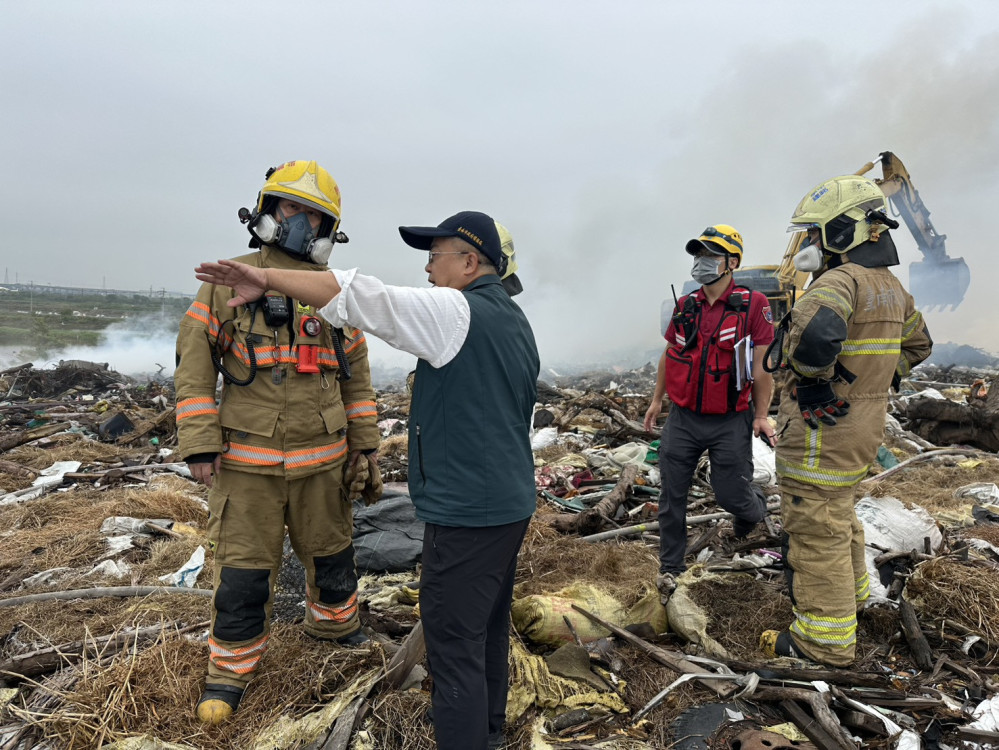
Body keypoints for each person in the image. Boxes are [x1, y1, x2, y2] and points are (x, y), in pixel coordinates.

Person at [193, 210, 539, 750]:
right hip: (509, 506)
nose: (427, 268)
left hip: (468, 513)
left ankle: (465, 736)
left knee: (452, 643)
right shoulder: (514, 320)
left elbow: (360, 297)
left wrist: (265, 277)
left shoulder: (456, 310)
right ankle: (488, 730)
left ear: (470, 262)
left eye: (435, 256)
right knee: (486, 629)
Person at [174, 160, 382, 724]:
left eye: (315, 216)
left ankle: (335, 628)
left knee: (333, 552)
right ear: (266, 212)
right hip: (247, 463)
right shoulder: (227, 280)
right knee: (242, 571)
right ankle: (230, 671)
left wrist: (365, 446)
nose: (302, 224)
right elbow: (194, 368)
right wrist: (199, 443)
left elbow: (356, 376)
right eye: (292, 209)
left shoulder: (335, 294)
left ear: (328, 231)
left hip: (324, 461)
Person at [760, 174, 932, 666]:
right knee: (839, 514)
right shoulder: (891, 288)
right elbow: (919, 346)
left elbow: (816, 335)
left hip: (821, 434)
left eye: (815, 233)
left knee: (815, 527)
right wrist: (869, 381)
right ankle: (854, 599)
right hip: (861, 431)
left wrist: (816, 384)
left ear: (843, 231)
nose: (809, 243)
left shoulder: (837, 283)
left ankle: (825, 641)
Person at [643, 225, 776, 601]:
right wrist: (657, 400)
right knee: (672, 495)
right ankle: (671, 567)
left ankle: (753, 511)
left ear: (732, 262)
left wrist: (761, 414)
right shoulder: (686, 306)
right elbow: (670, 355)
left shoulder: (754, 305)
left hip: (730, 418)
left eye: (710, 255)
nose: (701, 263)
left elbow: (763, 366)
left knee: (731, 493)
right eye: (698, 255)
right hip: (683, 419)